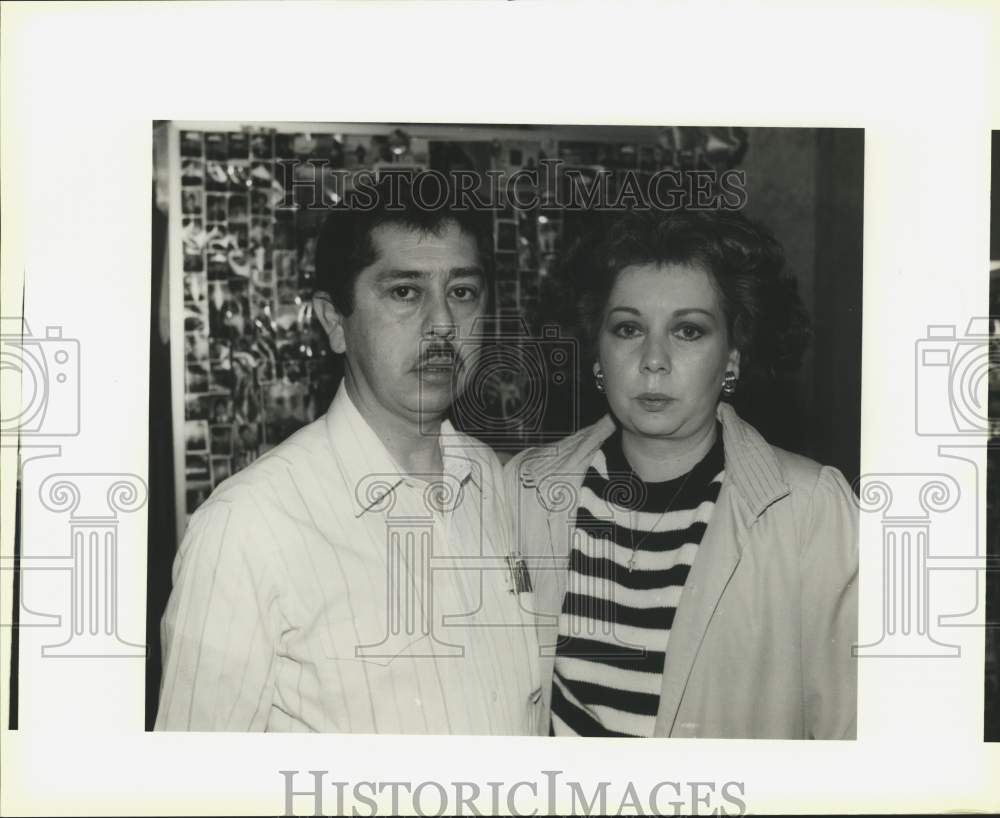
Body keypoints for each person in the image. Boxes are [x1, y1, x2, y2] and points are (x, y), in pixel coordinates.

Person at [156, 181, 541, 732]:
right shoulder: (246, 528)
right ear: (335, 322)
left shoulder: (493, 482)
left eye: (462, 292)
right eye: (405, 293)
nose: (442, 326)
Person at [506, 208, 858, 739]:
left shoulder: (811, 510)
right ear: (597, 351)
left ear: (733, 357)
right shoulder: (526, 489)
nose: (654, 359)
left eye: (688, 331)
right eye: (628, 329)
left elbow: (852, 741)